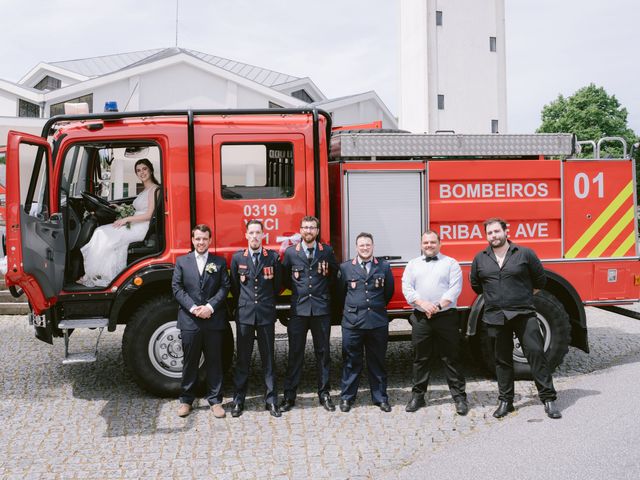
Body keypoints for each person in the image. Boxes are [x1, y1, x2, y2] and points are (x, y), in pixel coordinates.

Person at [470, 217, 562, 419]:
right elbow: (476, 285)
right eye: (490, 233)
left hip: (524, 314)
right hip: (496, 317)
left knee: (536, 354)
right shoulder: (480, 258)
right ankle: (506, 401)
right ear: (486, 236)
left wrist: (521, 297)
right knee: (502, 360)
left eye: (497, 231)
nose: (494, 236)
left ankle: (548, 399)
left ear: (505, 231)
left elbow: (540, 280)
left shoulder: (525, 254)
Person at [401, 230, 468, 415]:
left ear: (440, 243)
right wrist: (423, 304)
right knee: (420, 358)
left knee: (451, 357)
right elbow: (407, 288)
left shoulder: (451, 263)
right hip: (422, 318)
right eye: (425, 242)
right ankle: (418, 397)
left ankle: (459, 397)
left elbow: (455, 290)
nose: (429, 245)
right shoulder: (413, 264)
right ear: (421, 244)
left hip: (446, 317)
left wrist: (437, 306)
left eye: (432, 242)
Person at [280, 216, 338, 413]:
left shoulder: (327, 251)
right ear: (300, 230)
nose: (308, 231)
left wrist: (321, 293)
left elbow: (334, 277)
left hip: (321, 310)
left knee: (323, 354)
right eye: (305, 227)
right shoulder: (290, 253)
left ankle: (324, 394)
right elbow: (285, 279)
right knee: (295, 354)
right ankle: (289, 396)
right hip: (299, 310)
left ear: (318, 230)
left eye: (312, 227)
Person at [172, 224, 231, 418]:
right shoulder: (182, 262)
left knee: (215, 361)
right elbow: (177, 289)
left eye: (204, 239)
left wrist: (210, 307)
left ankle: (215, 401)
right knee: (190, 362)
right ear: (192, 240)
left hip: (213, 320)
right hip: (190, 321)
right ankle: (186, 400)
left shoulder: (219, 263)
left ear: (210, 240)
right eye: (197, 239)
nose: (201, 242)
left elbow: (224, 288)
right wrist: (193, 308)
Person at [230, 219, 283, 418]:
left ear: (263, 235)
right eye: (251, 233)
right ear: (246, 235)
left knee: (268, 359)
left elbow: (277, 286)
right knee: (243, 359)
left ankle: (271, 400)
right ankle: (238, 400)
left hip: (266, 314)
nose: (254, 236)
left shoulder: (272, 258)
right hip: (245, 316)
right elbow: (236, 287)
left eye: (257, 233)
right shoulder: (238, 259)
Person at [337, 232, 394, 412]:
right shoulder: (346, 268)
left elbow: (388, 292)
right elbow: (339, 293)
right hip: (353, 323)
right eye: (361, 245)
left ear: (373, 246)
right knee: (351, 362)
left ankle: (380, 397)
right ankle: (347, 397)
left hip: (377, 322)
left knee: (377, 362)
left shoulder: (383, 266)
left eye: (368, 245)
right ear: (356, 247)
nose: (365, 248)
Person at [79, 158, 160, 287]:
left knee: (102, 232)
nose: (142, 172)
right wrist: (119, 208)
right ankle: (93, 273)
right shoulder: (144, 190)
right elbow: (136, 209)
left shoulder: (155, 189)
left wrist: (126, 219)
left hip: (141, 227)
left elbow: (148, 215)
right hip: (135, 224)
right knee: (101, 231)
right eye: (138, 170)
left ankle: (97, 275)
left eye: (144, 169)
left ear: (150, 170)